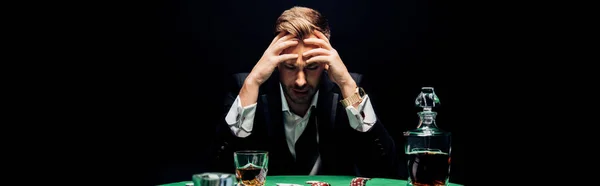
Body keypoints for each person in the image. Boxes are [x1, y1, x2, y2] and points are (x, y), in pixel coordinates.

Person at [211, 6, 403, 179]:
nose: (300, 81)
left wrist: (346, 83)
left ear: (326, 64)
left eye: (311, 67)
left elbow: (386, 170)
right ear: (276, 63)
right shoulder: (247, 89)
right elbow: (217, 169)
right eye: (289, 66)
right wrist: (251, 83)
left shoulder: (350, 89)